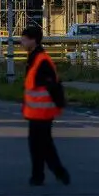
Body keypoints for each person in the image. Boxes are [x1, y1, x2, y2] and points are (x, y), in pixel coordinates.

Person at [20, 24, 70, 187]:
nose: (21, 42)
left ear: (33, 40)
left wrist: (59, 104)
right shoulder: (34, 58)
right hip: (36, 111)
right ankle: (52, 173)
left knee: (40, 145)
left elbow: (53, 84)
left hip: (43, 111)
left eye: (24, 39)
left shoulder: (41, 60)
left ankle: (45, 175)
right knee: (42, 145)